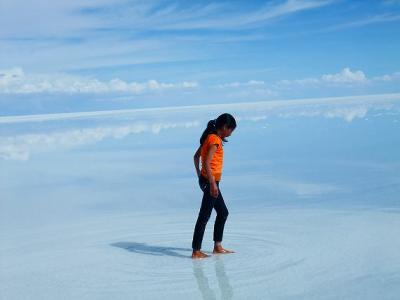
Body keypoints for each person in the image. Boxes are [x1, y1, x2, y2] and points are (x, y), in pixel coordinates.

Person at [191, 113, 237, 259]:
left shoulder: (209, 137)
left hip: (208, 180)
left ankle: (217, 246)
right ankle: (196, 250)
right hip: (211, 182)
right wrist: (211, 184)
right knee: (204, 216)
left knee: (223, 212)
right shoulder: (214, 140)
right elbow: (206, 162)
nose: (231, 133)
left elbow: (196, 157)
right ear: (224, 127)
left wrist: (200, 176)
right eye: (231, 130)